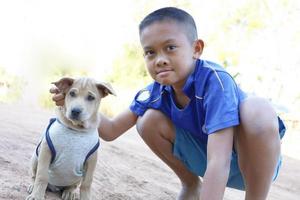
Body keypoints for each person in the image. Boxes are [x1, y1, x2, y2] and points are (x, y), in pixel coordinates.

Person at [50, 7, 286, 200]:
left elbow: (219, 160)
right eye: (150, 53)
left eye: (170, 48)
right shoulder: (154, 92)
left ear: (196, 49)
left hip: (251, 164)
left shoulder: (214, 82)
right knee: (148, 121)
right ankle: (192, 186)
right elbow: (110, 131)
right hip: (209, 163)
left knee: (258, 109)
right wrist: (72, 104)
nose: (160, 60)